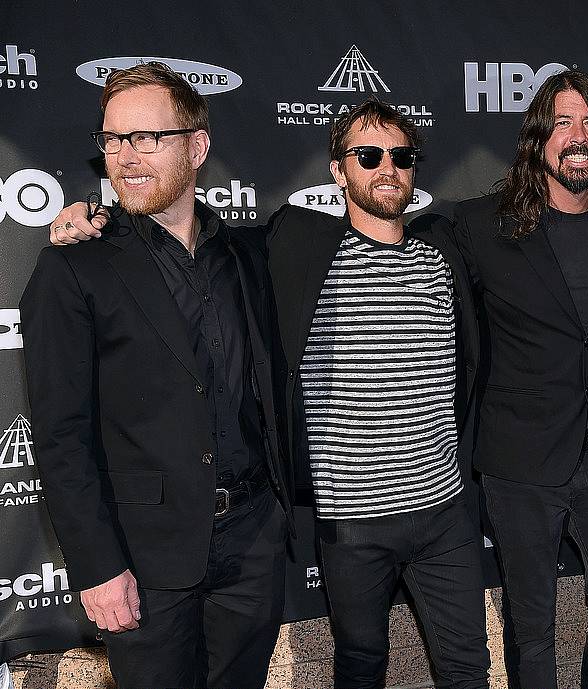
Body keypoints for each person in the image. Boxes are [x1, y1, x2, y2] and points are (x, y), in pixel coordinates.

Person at [50, 97, 491, 689]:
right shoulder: (291, 244)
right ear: (337, 170)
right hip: (346, 522)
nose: (386, 167)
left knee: (468, 669)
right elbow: (63, 433)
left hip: (440, 513)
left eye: (401, 155)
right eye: (367, 154)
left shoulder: (447, 245)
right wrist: (90, 218)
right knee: (361, 666)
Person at [22, 62, 291, 689]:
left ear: (197, 147)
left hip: (252, 543)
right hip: (143, 558)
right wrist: (97, 568)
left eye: (148, 138)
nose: (126, 157)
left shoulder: (247, 254)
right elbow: (61, 438)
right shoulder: (74, 269)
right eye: (113, 139)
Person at [448, 69, 588, 689]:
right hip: (520, 459)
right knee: (530, 630)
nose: (578, 135)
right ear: (538, 140)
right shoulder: (481, 229)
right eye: (562, 122)